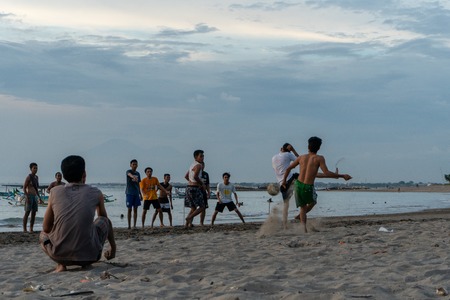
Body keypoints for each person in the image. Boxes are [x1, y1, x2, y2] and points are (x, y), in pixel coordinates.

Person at [39, 155, 116, 272]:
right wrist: (112, 247)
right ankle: (103, 254)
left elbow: (46, 227)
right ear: (84, 174)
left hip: (59, 255)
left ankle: (61, 265)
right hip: (90, 256)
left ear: (63, 176)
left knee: (42, 235)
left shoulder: (54, 192)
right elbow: (104, 221)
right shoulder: (96, 193)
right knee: (104, 220)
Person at [282, 136, 352, 233]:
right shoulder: (319, 158)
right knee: (313, 202)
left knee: (302, 208)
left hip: (298, 185)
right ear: (319, 148)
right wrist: (342, 175)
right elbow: (326, 172)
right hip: (308, 187)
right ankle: (301, 218)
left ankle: (304, 229)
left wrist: (284, 181)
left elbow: (288, 169)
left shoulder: (301, 157)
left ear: (308, 146)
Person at [272, 143, 299, 228]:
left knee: (286, 205)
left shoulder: (274, 157)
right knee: (302, 175)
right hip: (289, 180)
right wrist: (293, 150)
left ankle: (284, 224)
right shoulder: (288, 154)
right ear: (289, 150)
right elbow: (300, 160)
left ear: (281, 148)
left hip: (281, 184)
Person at [184, 150, 207, 228]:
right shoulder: (199, 165)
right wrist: (202, 184)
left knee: (193, 208)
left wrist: (191, 182)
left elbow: (186, 176)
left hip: (188, 188)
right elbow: (195, 177)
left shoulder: (191, 165)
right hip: (194, 188)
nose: (202, 158)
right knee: (202, 207)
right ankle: (189, 218)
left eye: (203, 156)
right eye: (201, 156)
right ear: (195, 157)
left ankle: (187, 224)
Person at [22, 162, 43, 233]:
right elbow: (24, 188)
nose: (35, 169)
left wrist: (39, 198)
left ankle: (31, 228)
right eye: (34, 168)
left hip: (35, 196)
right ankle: (24, 229)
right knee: (27, 212)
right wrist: (27, 196)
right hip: (29, 196)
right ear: (31, 169)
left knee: (34, 213)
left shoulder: (36, 177)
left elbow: (36, 189)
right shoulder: (29, 177)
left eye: (36, 168)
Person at [125, 159, 142, 229]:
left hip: (136, 193)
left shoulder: (138, 173)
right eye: (133, 164)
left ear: (137, 165)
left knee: (135, 209)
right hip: (129, 193)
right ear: (130, 165)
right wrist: (133, 177)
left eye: (136, 164)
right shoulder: (128, 171)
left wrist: (140, 194)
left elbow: (138, 184)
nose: (134, 165)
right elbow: (129, 174)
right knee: (129, 209)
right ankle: (129, 225)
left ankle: (134, 225)